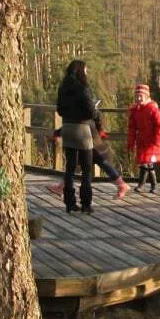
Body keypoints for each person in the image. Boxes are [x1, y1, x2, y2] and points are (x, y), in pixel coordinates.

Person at [55, 59, 100, 213]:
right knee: (86, 169)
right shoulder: (83, 88)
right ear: (81, 71)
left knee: (70, 168)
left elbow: (59, 110)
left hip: (67, 128)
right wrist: (94, 110)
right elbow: (91, 111)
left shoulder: (63, 87)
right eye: (86, 70)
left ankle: (69, 203)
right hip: (81, 129)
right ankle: (86, 204)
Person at [127, 83, 160, 192]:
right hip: (142, 140)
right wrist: (131, 142)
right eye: (137, 96)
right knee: (144, 163)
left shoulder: (153, 109)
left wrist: (157, 140)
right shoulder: (135, 111)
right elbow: (132, 128)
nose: (138, 99)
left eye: (141, 96)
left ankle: (150, 185)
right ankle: (144, 185)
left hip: (152, 141)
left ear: (146, 96)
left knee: (148, 163)